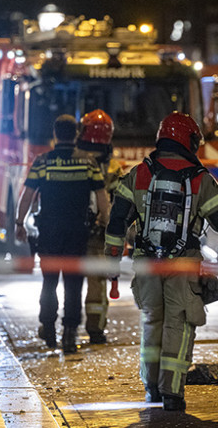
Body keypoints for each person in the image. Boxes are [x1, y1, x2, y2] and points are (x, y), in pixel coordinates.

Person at [104, 112, 218, 412]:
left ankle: (151, 386)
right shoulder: (201, 179)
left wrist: (112, 261)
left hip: (146, 263)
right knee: (179, 323)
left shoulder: (140, 174)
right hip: (183, 264)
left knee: (152, 322)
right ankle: (173, 393)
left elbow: (116, 221)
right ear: (188, 141)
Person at [15, 114, 109, 354]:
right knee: (74, 284)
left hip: (49, 231)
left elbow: (27, 195)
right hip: (77, 231)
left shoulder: (43, 162)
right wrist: (104, 221)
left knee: (49, 282)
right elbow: (101, 196)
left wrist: (20, 223)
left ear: (55, 134)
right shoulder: (88, 163)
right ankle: (69, 335)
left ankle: (48, 328)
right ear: (76, 134)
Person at [75, 109, 125, 345]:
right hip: (99, 232)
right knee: (97, 283)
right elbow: (119, 201)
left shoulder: (73, 158)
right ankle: (95, 330)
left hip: (72, 231)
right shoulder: (113, 166)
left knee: (69, 280)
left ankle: (67, 326)